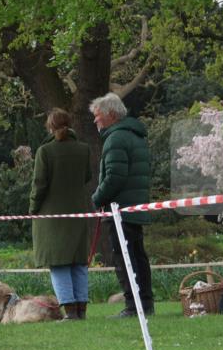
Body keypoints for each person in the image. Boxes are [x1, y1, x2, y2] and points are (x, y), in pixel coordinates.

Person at [89, 92, 155, 318]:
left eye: (98, 116)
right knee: (138, 256)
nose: (95, 121)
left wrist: (97, 197)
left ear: (110, 115)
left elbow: (115, 177)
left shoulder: (116, 138)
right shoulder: (135, 136)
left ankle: (132, 305)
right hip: (134, 207)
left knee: (124, 258)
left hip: (121, 209)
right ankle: (145, 303)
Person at [30, 108, 92, 320]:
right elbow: (87, 176)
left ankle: (70, 311)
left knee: (59, 263)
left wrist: (33, 209)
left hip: (52, 216)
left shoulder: (45, 151)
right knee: (78, 262)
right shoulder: (84, 149)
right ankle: (81, 310)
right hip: (78, 212)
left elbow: (39, 184)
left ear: (50, 127)